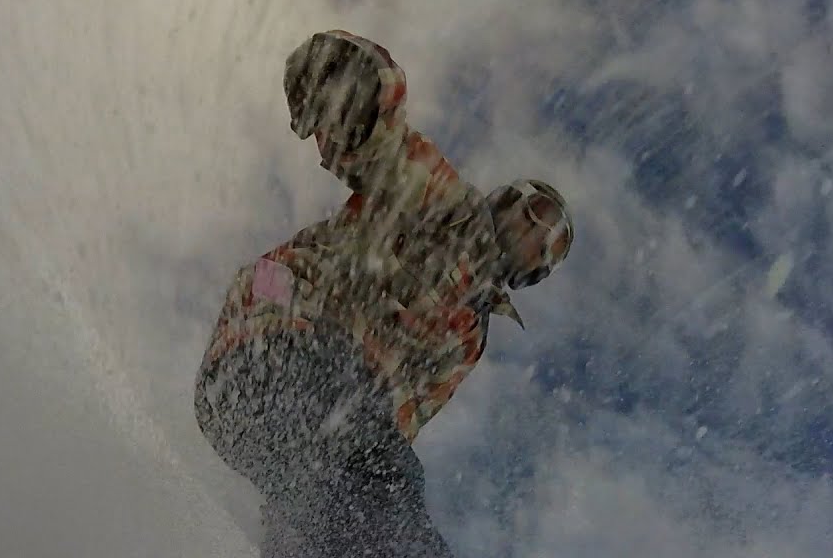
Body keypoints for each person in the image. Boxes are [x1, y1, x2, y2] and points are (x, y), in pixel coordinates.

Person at [194, 30, 574, 557]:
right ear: (502, 202)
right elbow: (384, 152)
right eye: (532, 217)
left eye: (548, 246)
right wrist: (360, 85)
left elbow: (403, 417)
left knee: (379, 490)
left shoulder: (467, 338)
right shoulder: (446, 205)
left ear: (540, 272)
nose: (535, 238)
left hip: (310, 422)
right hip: (275, 345)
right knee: (358, 430)